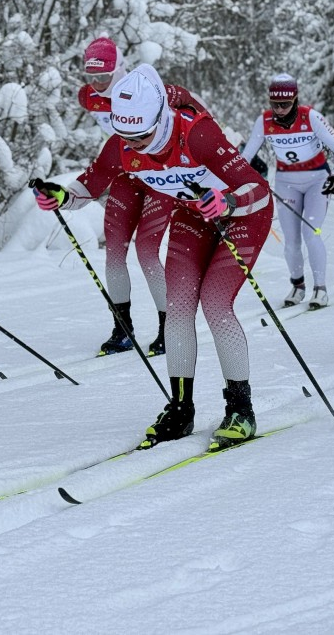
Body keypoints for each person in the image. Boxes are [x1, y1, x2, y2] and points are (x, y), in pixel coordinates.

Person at [33, 65, 273, 452]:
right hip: (192, 216)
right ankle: (181, 409)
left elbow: (257, 189)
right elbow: (91, 183)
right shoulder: (124, 143)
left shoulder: (196, 133)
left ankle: (240, 411)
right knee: (178, 309)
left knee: (215, 304)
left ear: (160, 118)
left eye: (142, 136)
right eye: (127, 138)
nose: (136, 147)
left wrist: (228, 201)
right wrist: (60, 196)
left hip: (243, 216)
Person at [78, 36, 176, 356]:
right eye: (91, 77)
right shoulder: (89, 97)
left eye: (103, 77)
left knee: (147, 251)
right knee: (114, 252)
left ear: (119, 69)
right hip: (124, 170)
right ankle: (123, 329)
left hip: (157, 175)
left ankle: (169, 327)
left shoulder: (141, 88)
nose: (97, 84)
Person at [240, 73, 334, 309]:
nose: (279, 110)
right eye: (275, 104)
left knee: (311, 232)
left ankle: (320, 289)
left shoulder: (311, 117)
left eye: (285, 104)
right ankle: (298, 286)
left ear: (295, 99)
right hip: (287, 181)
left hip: (317, 178)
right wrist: (237, 177)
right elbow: (246, 157)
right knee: (291, 241)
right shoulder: (264, 121)